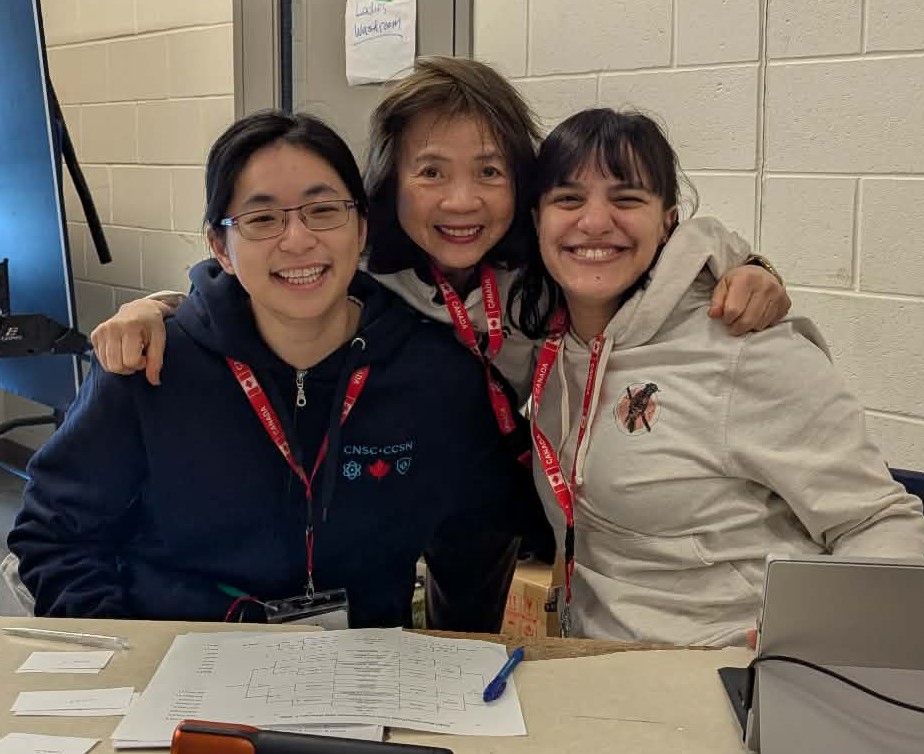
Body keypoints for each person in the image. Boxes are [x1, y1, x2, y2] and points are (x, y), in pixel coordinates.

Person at [88, 57, 790, 566]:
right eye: (430, 172)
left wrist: (752, 267)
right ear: (389, 185)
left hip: (550, 492)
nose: (461, 201)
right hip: (431, 490)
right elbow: (246, 276)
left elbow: (662, 251)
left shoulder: (554, 261)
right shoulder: (364, 264)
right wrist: (157, 308)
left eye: (489, 172)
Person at [8, 111, 525, 630]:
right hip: (179, 652)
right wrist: (130, 646)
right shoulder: (153, 366)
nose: (297, 240)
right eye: (262, 219)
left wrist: (454, 653)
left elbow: (475, 538)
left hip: (362, 662)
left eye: (323, 210)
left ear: (361, 227)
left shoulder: (433, 376)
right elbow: (55, 534)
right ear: (220, 247)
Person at [516, 107, 924, 647]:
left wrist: (824, 652)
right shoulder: (536, 343)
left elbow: (878, 522)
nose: (594, 222)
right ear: (537, 220)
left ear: (668, 222)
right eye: (569, 200)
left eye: (627, 199)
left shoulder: (742, 343)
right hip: (598, 662)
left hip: (725, 669)